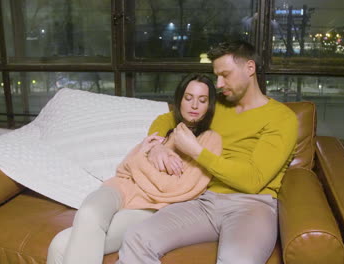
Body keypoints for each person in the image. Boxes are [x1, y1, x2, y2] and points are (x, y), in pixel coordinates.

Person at [116, 40, 298, 264]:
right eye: (217, 76)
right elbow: (168, 118)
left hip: (253, 205)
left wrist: (195, 150)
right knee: (137, 237)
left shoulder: (282, 118)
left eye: (225, 75)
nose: (219, 84)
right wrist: (157, 146)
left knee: (237, 260)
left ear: (250, 68)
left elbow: (252, 180)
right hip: (204, 201)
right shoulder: (215, 105)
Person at [47, 73, 222, 264]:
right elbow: (123, 168)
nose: (194, 105)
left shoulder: (210, 140)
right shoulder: (167, 132)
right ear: (180, 100)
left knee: (60, 244)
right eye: (188, 98)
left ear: (209, 105)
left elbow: (175, 189)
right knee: (88, 213)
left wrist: (141, 160)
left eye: (202, 100)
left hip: (149, 207)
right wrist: (149, 155)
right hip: (119, 189)